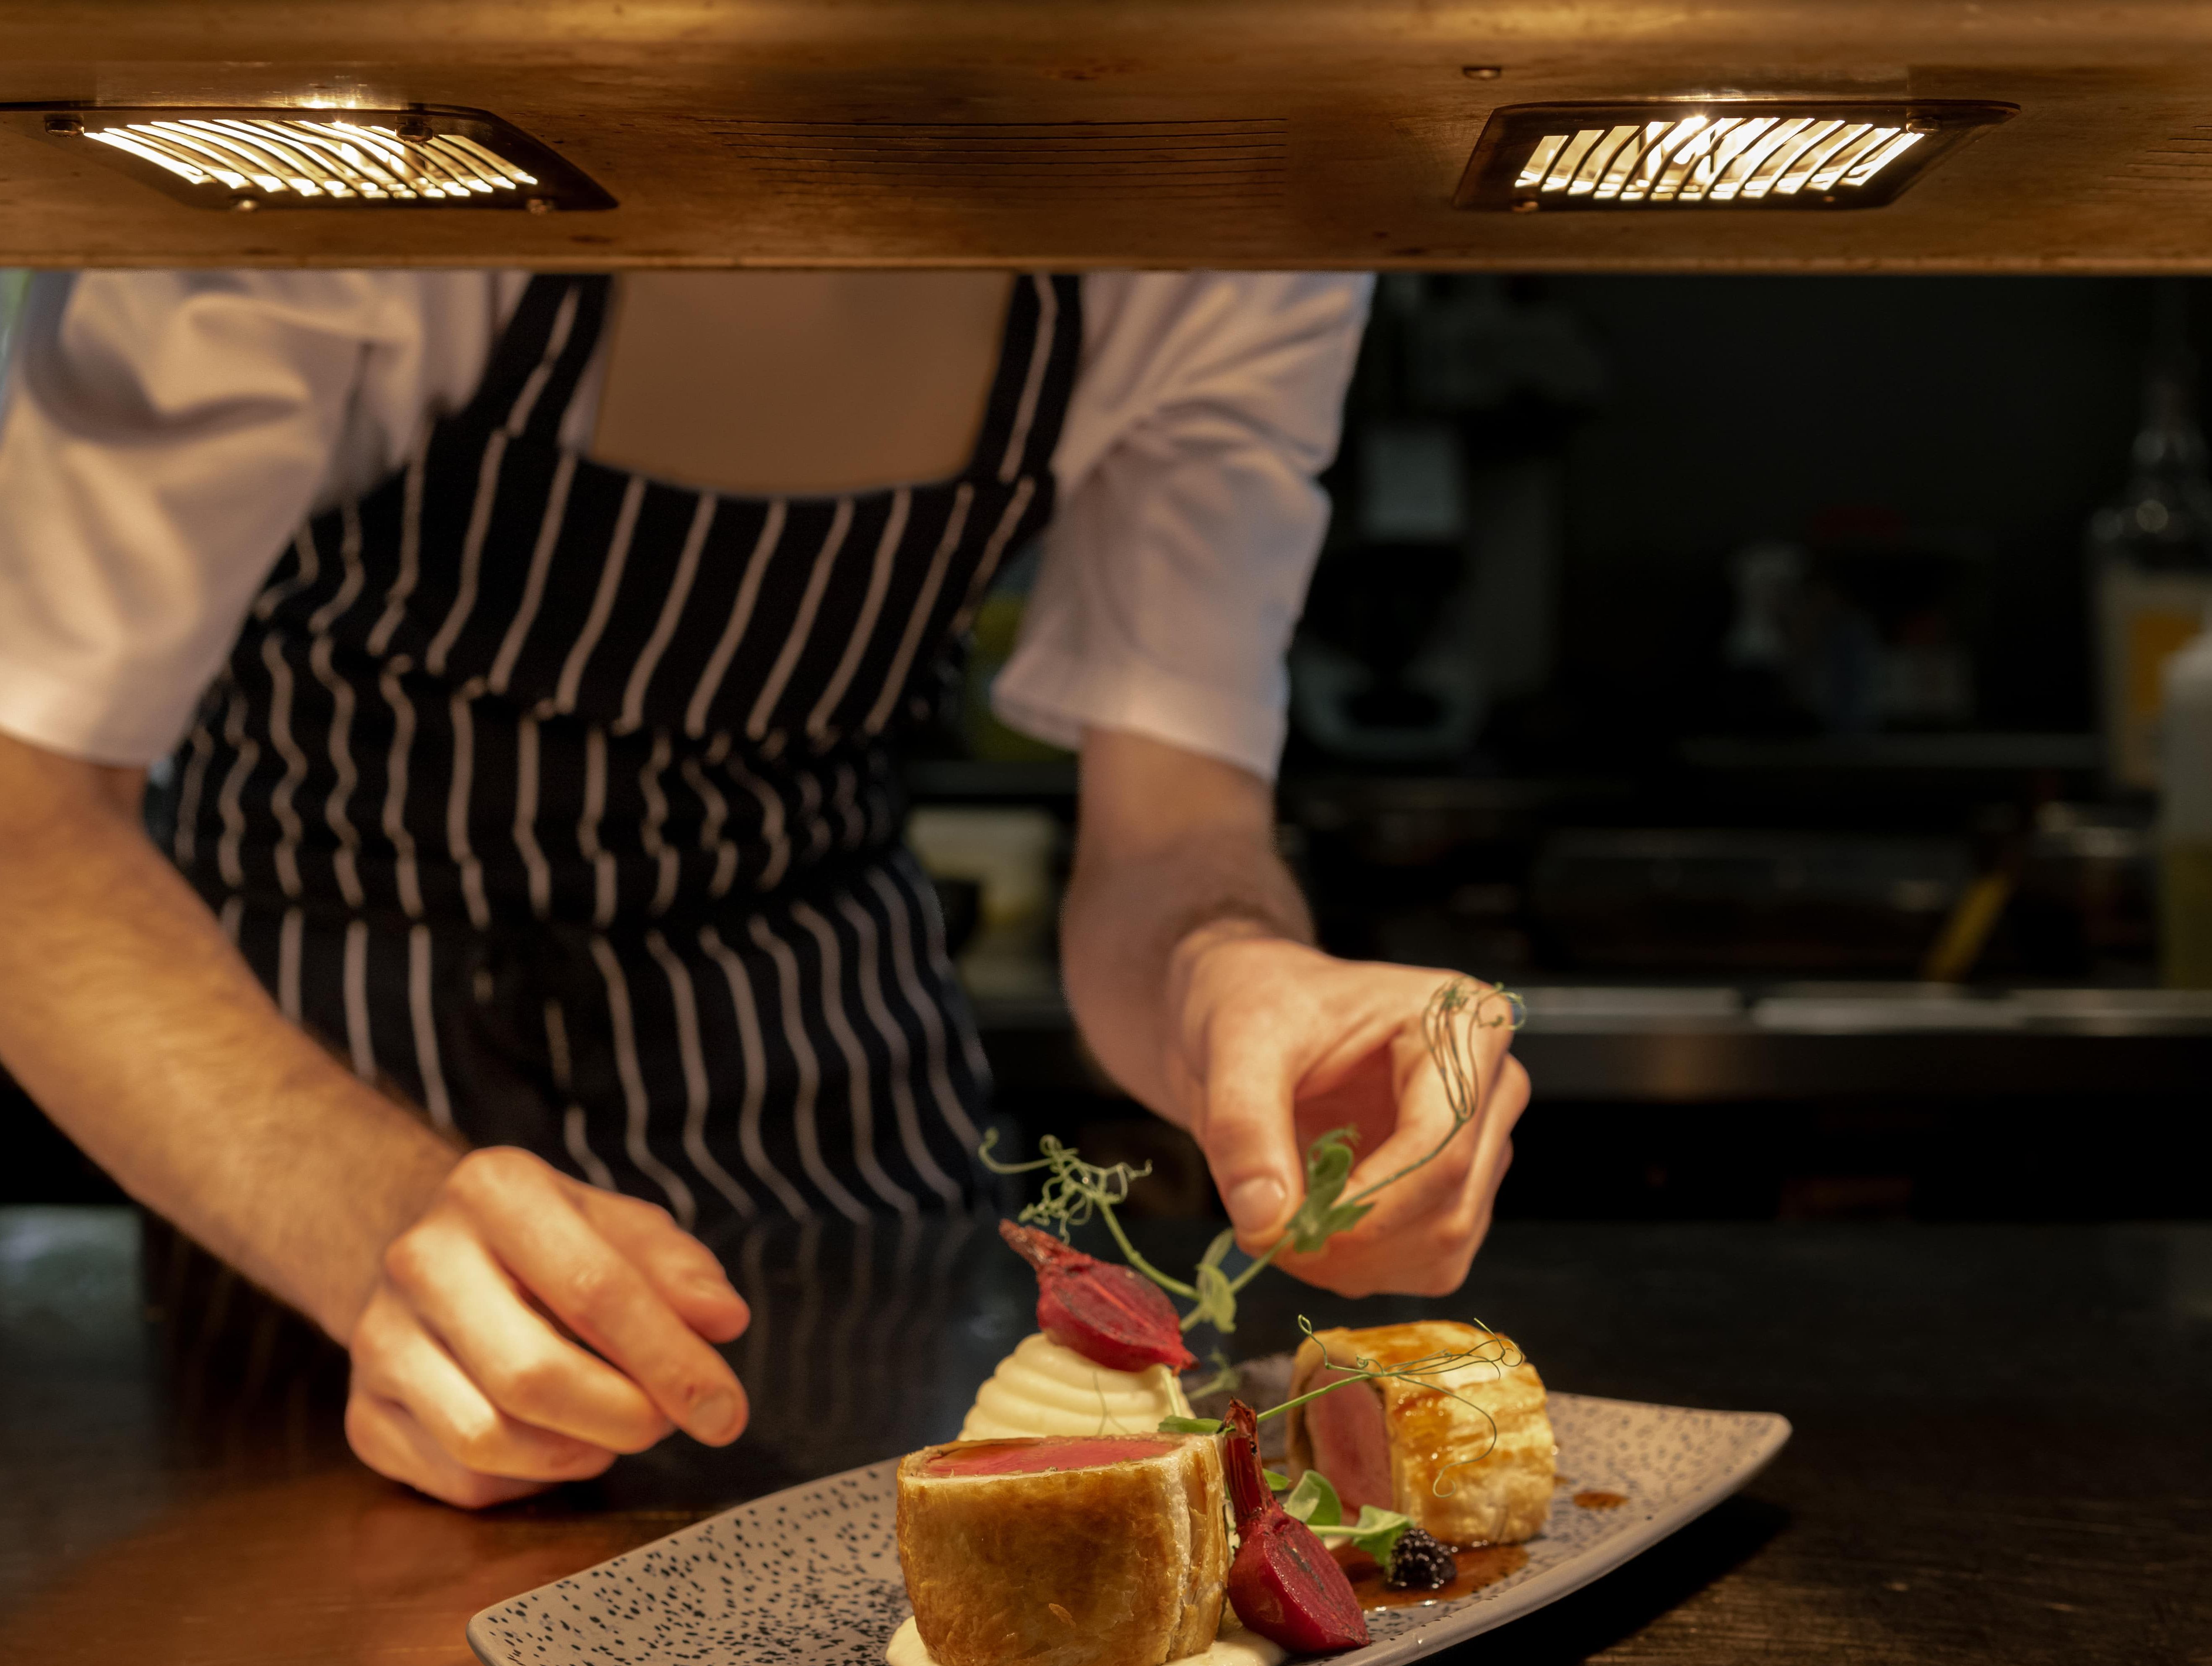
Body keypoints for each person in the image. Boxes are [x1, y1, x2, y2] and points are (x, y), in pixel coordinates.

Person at [0, 267, 1529, 1509]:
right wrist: (364, 1213)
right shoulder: (351, 154)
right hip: (307, 1067)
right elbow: (26, 825)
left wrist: (1228, 968)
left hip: (826, 1062)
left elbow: (1169, 834)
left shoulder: (1225, 216)